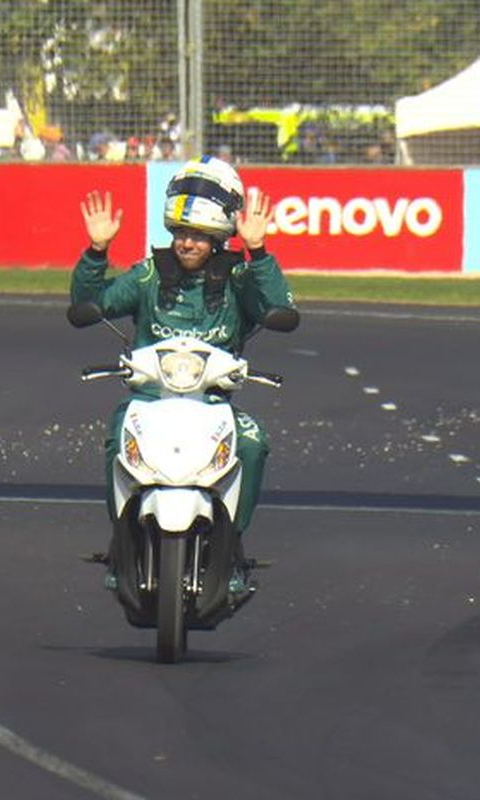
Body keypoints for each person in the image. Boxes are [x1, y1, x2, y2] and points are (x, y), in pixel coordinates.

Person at [71, 156, 296, 556]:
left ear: (218, 237)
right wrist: (96, 250)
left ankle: (230, 546)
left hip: (213, 404)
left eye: (198, 235)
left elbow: (277, 307)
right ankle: (122, 542)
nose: (186, 243)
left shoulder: (239, 278)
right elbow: (89, 305)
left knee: (252, 442)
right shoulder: (147, 276)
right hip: (148, 399)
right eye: (180, 233)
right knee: (118, 434)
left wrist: (259, 252)